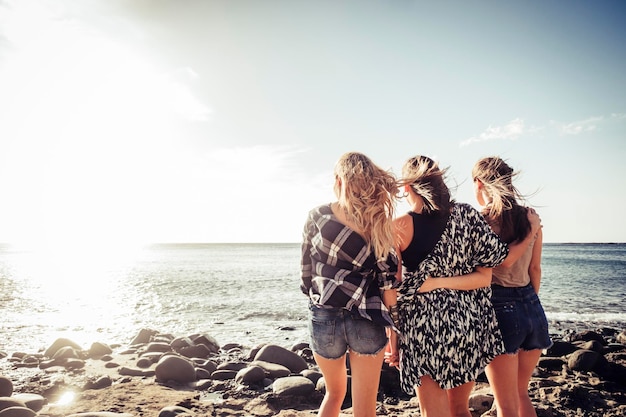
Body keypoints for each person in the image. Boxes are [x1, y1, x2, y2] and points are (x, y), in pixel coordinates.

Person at [388, 155, 508, 417]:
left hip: (423, 328)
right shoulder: (467, 215)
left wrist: (393, 340)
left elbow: (393, 291)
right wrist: (441, 282)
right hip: (466, 324)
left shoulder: (399, 227)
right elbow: (484, 278)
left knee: (433, 412)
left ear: (407, 187)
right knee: (459, 409)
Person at [300, 151, 401, 417]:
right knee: (365, 410)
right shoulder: (379, 223)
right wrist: (396, 331)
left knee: (333, 395)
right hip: (367, 318)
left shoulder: (317, 216)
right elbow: (388, 283)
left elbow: (305, 270)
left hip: (324, 316)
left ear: (339, 180)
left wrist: (314, 294)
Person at [472, 157, 551, 417]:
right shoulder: (531, 219)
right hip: (532, 308)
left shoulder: (481, 221)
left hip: (499, 310)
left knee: (505, 404)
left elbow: (493, 266)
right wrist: (528, 304)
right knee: (520, 392)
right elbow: (535, 270)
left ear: (480, 183)